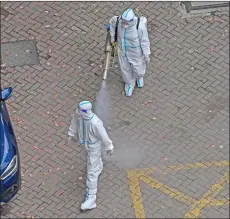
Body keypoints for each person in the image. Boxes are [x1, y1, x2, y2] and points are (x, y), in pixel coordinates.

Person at [68, 101, 114, 211]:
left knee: (91, 173)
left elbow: (104, 136)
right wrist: (71, 133)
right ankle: (99, 166)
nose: (78, 112)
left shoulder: (95, 123)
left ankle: (91, 198)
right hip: (85, 145)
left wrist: (109, 147)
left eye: (80, 110)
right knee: (92, 163)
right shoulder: (79, 114)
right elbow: (74, 121)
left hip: (94, 148)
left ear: (86, 111)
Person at [109, 8, 151, 97]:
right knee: (125, 70)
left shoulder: (139, 27)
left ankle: (139, 77)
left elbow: (144, 41)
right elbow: (112, 25)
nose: (124, 24)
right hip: (122, 52)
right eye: (123, 21)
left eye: (127, 22)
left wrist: (146, 54)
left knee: (138, 69)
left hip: (136, 53)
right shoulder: (117, 21)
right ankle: (129, 83)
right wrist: (112, 37)